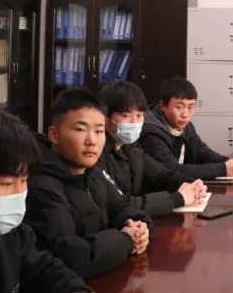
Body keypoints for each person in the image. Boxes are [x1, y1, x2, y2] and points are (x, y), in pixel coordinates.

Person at [0, 108, 92, 293]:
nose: (19, 193)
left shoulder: (11, 234)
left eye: (23, 180)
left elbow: (44, 271)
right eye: (7, 183)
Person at [25, 88, 154, 279]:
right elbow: (68, 256)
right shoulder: (42, 186)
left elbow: (123, 208)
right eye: (80, 129)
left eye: (99, 131)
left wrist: (141, 229)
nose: (92, 141)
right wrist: (125, 239)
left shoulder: (92, 173)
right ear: (54, 135)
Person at [96, 81, 207, 217]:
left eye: (139, 115)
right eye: (126, 116)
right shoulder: (96, 153)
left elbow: (161, 176)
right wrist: (178, 198)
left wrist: (192, 185)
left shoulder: (131, 147)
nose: (135, 122)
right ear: (105, 118)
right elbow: (119, 204)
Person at [139, 77, 233, 180]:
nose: (185, 114)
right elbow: (172, 170)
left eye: (191, 107)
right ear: (163, 106)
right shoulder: (151, 132)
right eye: (179, 107)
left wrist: (230, 163)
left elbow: (202, 152)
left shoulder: (186, 126)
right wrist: (223, 169)